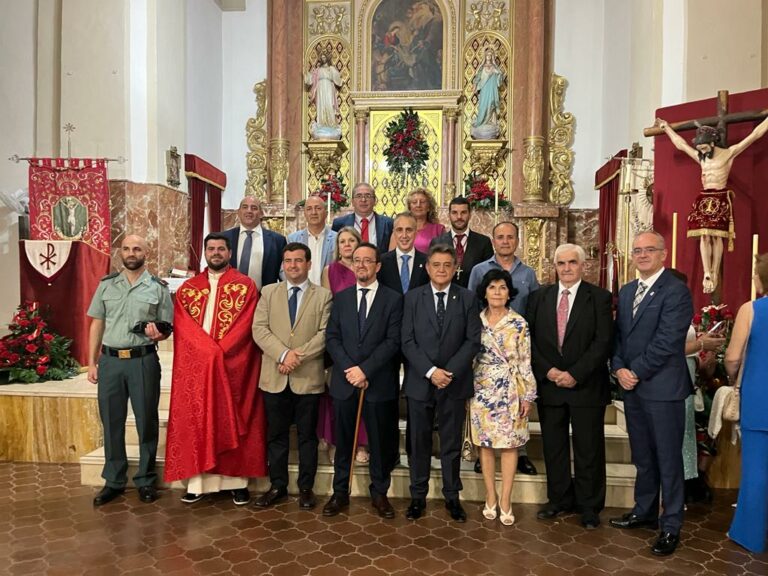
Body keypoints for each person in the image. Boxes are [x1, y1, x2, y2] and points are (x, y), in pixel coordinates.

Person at [164, 233, 267, 505]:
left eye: (221, 249)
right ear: (204, 253)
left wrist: (218, 355)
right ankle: (197, 483)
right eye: (211, 248)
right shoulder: (188, 288)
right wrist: (207, 354)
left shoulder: (245, 286)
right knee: (199, 420)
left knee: (235, 415)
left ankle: (237, 482)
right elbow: (183, 327)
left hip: (234, 365)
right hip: (198, 368)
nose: (216, 253)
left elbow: (246, 326)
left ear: (230, 253)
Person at [609, 231, 693, 557]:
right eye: (637, 250)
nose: (642, 255)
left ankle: (670, 525)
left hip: (663, 389)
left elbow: (668, 341)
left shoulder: (676, 291)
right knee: (643, 457)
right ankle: (643, 512)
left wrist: (635, 371)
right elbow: (618, 338)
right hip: (633, 389)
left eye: (649, 250)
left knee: (668, 460)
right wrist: (618, 368)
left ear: (663, 254)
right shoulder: (628, 291)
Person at [526, 244, 613, 529]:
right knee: (554, 447)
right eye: (561, 263)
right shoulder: (539, 297)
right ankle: (559, 499)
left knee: (589, 449)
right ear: (555, 266)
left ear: (583, 265)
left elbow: (603, 342)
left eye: (572, 263)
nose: (566, 268)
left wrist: (575, 373)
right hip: (550, 386)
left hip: (586, 385)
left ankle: (589, 506)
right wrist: (548, 371)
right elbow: (532, 341)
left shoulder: (599, 298)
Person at [86, 235, 173, 506]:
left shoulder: (158, 288)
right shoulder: (106, 285)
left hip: (143, 361)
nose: (131, 253)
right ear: (120, 252)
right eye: (126, 248)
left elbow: (168, 327)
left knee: (146, 421)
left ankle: (146, 479)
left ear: (146, 252)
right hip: (111, 361)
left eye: (137, 248)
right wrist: (91, 362)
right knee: (111, 421)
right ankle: (113, 480)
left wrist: (158, 334)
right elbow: (97, 324)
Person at [322, 243, 403, 519]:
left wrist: (365, 370)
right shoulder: (342, 298)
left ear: (378, 266)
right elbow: (332, 337)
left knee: (380, 443)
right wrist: (350, 369)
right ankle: (340, 492)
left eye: (367, 261)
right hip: (346, 382)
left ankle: (379, 493)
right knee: (344, 442)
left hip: (378, 383)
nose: (361, 265)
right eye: (357, 260)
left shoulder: (393, 299)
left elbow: (393, 341)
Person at [401, 244, 481, 523]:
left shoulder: (468, 298)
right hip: (420, 382)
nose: (442, 270)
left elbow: (473, 340)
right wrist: (430, 371)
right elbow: (407, 340)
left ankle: (451, 496)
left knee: (451, 443)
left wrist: (448, 372)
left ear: (455, 267)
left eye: (447, 265)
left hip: (454, 382)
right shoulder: (412, 298)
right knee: (418, 442)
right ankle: (417, 496)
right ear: (427, 267)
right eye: (436, 265)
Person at [252, 243, 332, 510]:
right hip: (275, 375)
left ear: (309, 264)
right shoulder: (268, 292)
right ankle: (278, 486)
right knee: (277, 435)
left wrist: (297, 356)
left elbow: (324, 334)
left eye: (299, 261)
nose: (293, 266)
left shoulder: (323, 296)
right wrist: (283, 355)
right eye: (288, 261)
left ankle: (306, 488)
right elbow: (259, 329)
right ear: (282, 265)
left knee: (308, 437)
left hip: (307, 377)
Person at [654, 116, 768, 293]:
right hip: (704, 197)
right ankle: (707, 271)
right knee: (705, 236)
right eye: (699, 148)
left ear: (713, 143)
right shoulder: (702, 158)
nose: (701, 150)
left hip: (720, 196)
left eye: (704, 147)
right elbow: (681, 145)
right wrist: (666, 127)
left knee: (716, 236)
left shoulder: (728, 153)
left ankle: (715, 270)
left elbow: (754, 135)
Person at [468, 221, 540, 475]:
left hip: (517, 349)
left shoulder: (528, 273)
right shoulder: (479, 270)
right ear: (493, 241)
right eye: (500, 237)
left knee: (517, 411)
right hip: (486, 350)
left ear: (517, 240)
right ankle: (482, 454)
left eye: (510, 237)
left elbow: (535, 307)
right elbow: (470, 306)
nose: (505, 241)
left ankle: (520, 454)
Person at [471, 268, 536, 526]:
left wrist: (527, 395)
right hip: (482, 388)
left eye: (502, 287)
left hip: (510, 390)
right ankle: (490, 496)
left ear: (510, 293)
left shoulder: (519, 323)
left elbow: (525, 361)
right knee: (485, 445)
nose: (497, 292)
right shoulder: (475, 320)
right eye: (492, 287)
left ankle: (506, 499)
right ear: (484, 292)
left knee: (510, 445)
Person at [724, 253, 768, 554]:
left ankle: (750, 535)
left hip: (759, 397)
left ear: (760, 278)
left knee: (756, 470)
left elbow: (732, 358)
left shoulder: (751, 310)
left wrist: (732, 376)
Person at [319, 227, 371, 465]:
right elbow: (327, 307)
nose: (347, 245)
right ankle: (336, 442)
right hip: (339, 340)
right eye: (342, 241)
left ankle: (360, 443)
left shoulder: (366, 269)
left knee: (362, 392)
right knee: (336, 394)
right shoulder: (329, 271)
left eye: (352, 240)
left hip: (364, 341)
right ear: (337, 246)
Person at [220, 196, 286, 290]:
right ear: (238, 212)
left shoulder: (278, 241)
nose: (249, 211)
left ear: (261, 213)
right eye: (245, 207)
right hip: (230, 298)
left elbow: (283, 275)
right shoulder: (224, 238)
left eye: (254, 208)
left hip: (263, 300)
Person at [430, 196, 494, 288]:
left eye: (463, 212)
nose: (459, 217)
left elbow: (488, 274)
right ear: (449, 215)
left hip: (474, 296)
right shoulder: (437, 242)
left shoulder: (483, 242)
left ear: (470, 214)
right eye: (454, 213)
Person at [288, 194, 337, 285]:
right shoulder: (293, 239)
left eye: (318, 208)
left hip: (329, 293)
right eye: (309, 209)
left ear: (326, 213)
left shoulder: (337, 239)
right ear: (305, 214)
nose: (313, 212)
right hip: (301, 292)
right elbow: (284, 269)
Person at [332, 183, 393, 253]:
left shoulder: (388, 224)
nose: (363, 200)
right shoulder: (339, 224)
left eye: (368, 196)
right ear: (352, 201)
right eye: (359, 196)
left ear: (374, 200)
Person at [378, 212, 429, 295]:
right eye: (399, 230)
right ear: (394, 233)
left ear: (416, 233)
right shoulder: (381, 261)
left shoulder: (427, 261)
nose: (404, 235)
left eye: (409, 230)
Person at [389, 188, 445, 253]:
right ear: (409, 207)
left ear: (429, 207)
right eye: (414, 202)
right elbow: (391, 256)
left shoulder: (439, 229)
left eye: (422, 202)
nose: (418, 205)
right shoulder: (400, 229)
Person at [304, 52, 342, 139]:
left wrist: (337, 76)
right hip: (320, 89)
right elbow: (311, 79)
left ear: (327, 58)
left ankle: (330, 123)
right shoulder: (318, 70)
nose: (323, 58)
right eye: (322, 57)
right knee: (321, 106)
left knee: (329, 105)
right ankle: (321, 123)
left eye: (325, 57)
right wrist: (306, 74)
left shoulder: (331, 68)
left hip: (328, 87)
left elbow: (337, 78)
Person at [471, 47, 504, 139]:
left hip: (492, 90)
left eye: (490, 55)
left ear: (492, 56)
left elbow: (499, 78)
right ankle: (481, 122)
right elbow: (477, 77)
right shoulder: (482, 67)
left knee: (491, 105)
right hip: (484, 90)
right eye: (487, 55)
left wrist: (498, 73)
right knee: (483, 106)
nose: (488, 57)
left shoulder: (494, 68)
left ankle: (490, 121)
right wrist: (475, 85)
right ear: (485, 56)